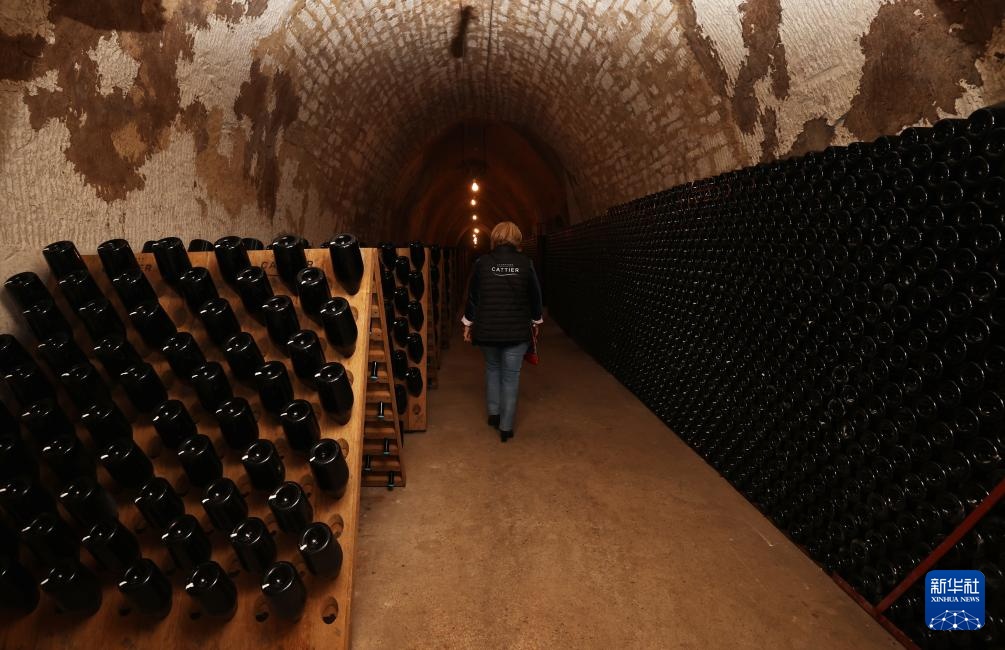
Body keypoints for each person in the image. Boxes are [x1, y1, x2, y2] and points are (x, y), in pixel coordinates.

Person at [462, 222, 543, 442]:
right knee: (511, 377)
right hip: (517, 331)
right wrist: (536, 320)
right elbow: (535, 296)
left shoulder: (482, 263)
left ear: (495, 238)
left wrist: (468, 323)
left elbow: (473, 297)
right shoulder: (525, 263)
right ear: (517, 238)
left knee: (492, 369)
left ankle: (493, 414)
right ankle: (506, 427)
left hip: (487, 329)